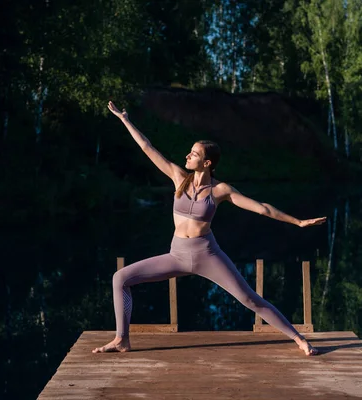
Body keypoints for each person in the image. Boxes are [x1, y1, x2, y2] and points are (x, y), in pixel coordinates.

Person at [92, 101, 326, 356]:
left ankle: (299, 339)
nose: (187, 156)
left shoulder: (220, 190)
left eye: (193, 154)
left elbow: (262, 208)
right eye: (189, 152)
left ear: (207, 163)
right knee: (120, 278)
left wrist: (298, 222)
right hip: (176, 255)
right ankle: (121, 339)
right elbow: (147, 147)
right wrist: (125, 119)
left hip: (207, 255)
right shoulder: (178, 177)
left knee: (249, 299)